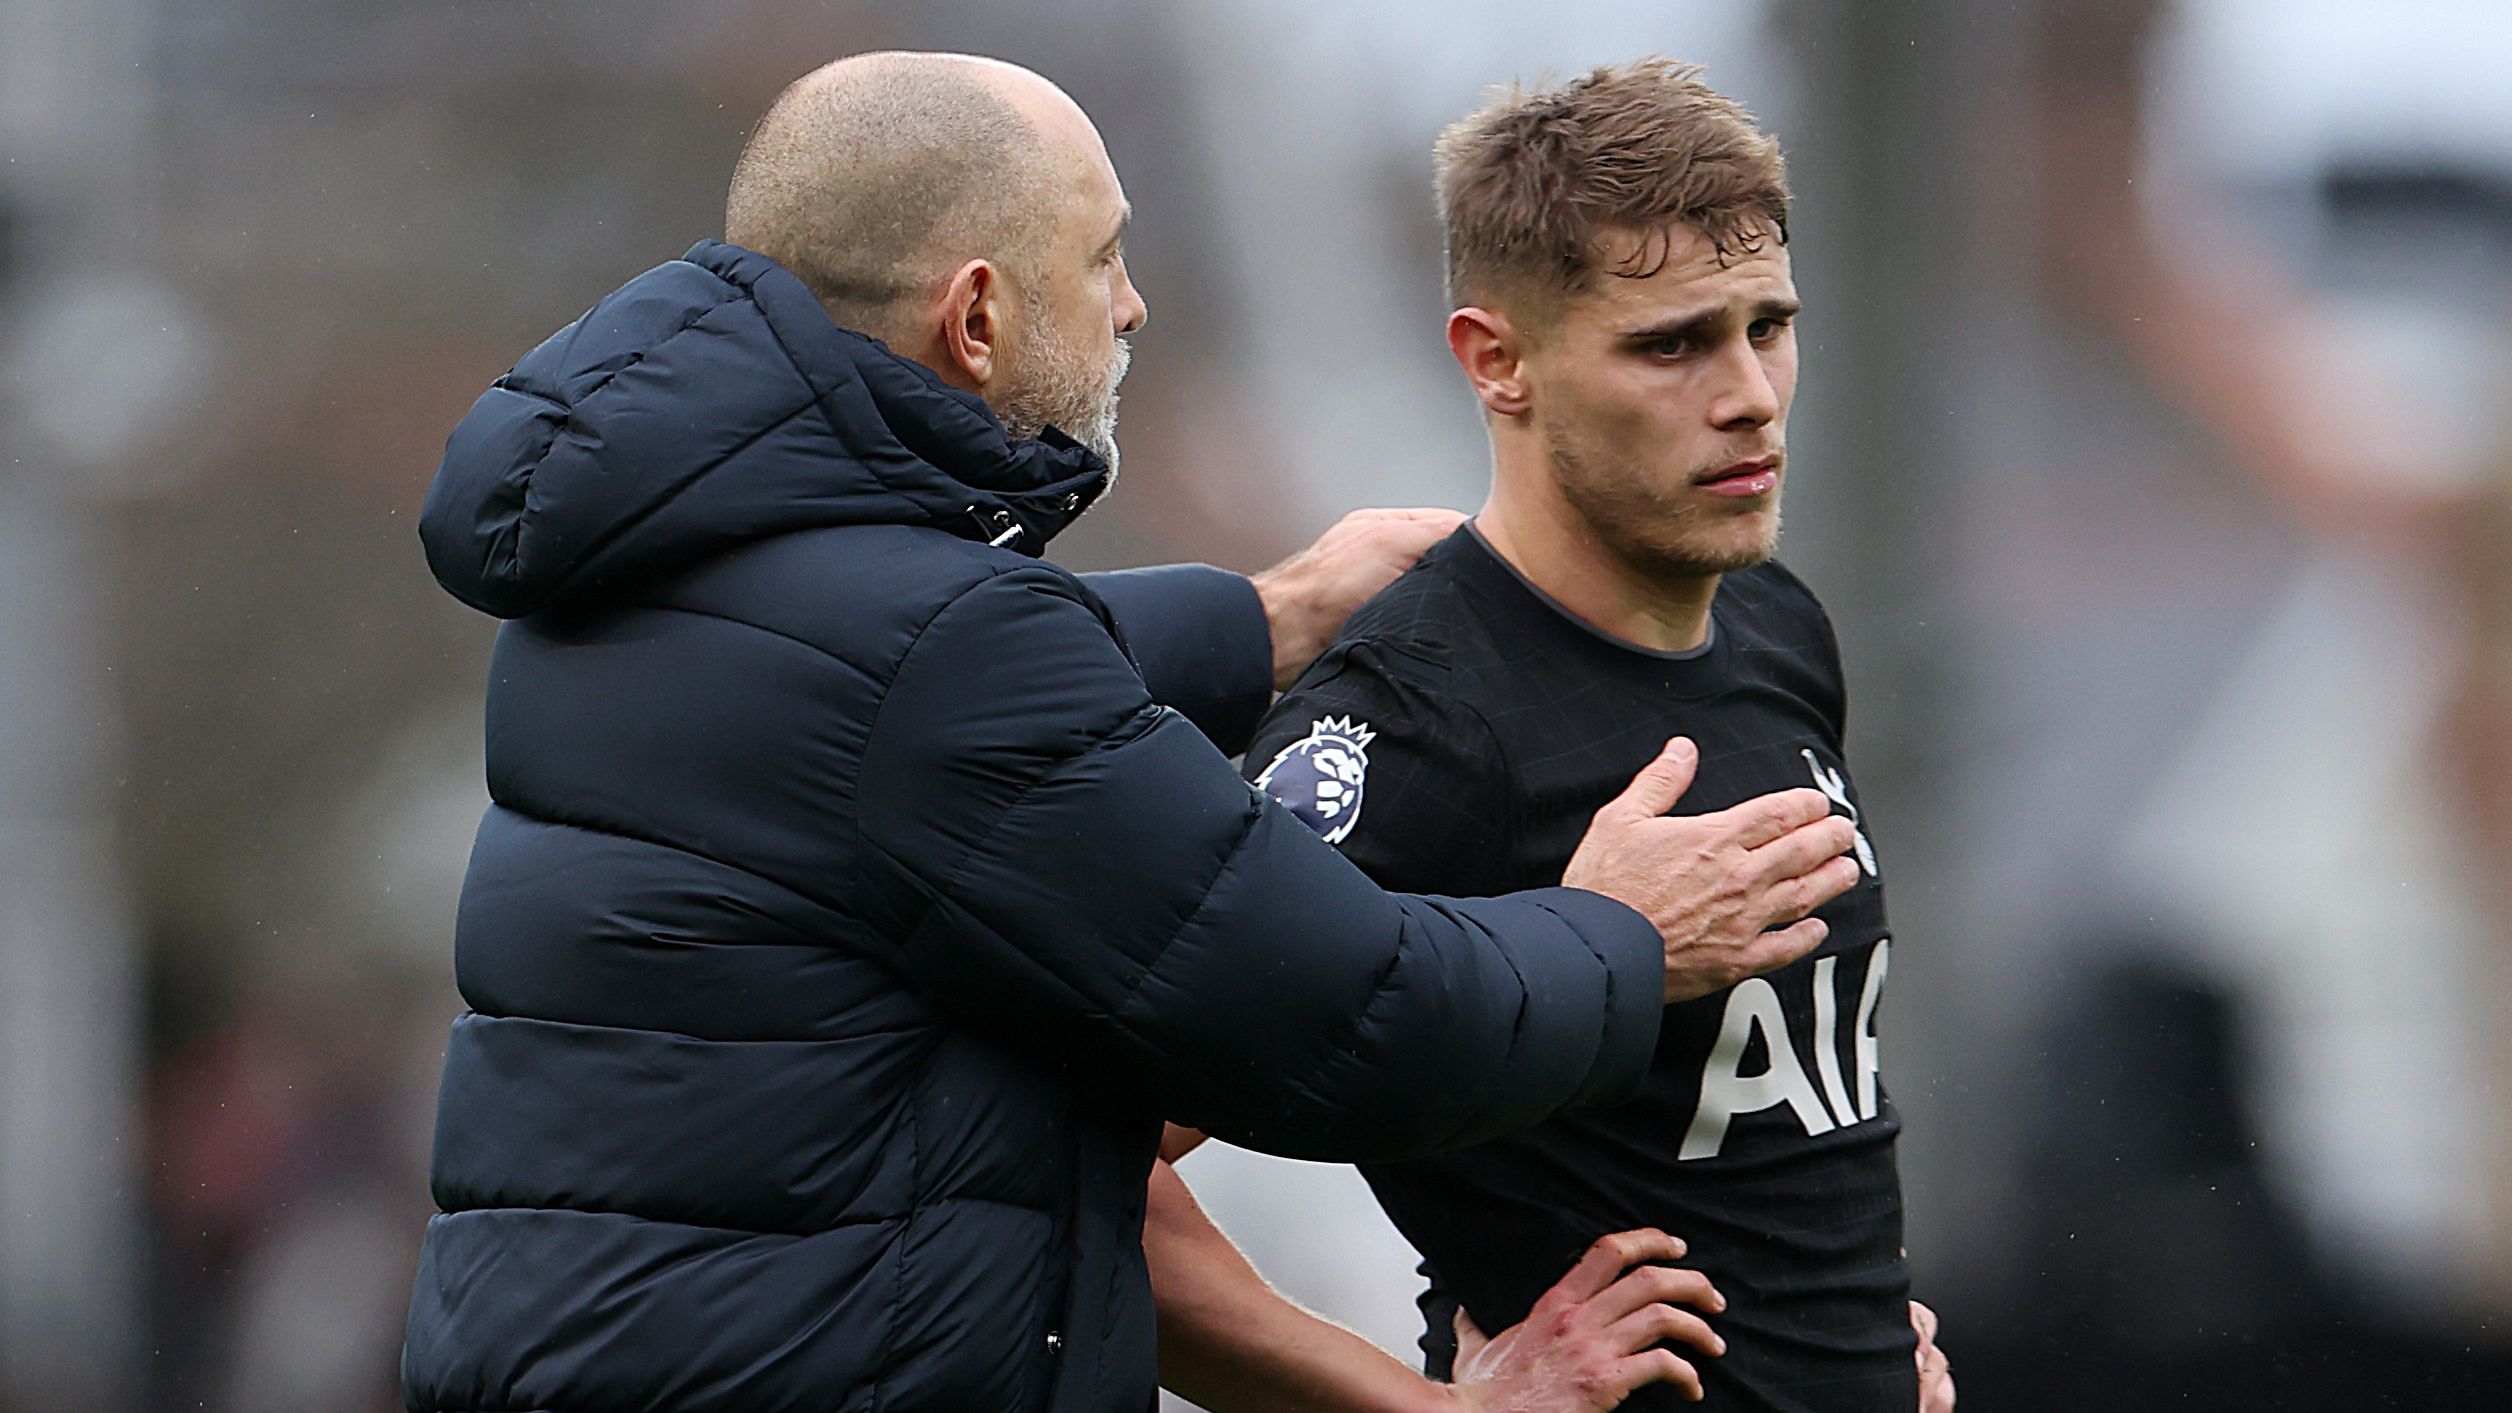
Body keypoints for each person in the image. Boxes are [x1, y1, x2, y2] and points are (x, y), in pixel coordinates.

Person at [400, 51, 1864, 1413]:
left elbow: (893, 706)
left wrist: (1265, 610)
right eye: (1099, 256)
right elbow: (1355, 1017)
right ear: (974, 319)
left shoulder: (642, 567)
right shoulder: (955, 660)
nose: (1133, 301)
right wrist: (1622, 932)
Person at [1150, 60, 1953, 1411]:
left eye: (1770, 325)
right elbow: (1088, 1161)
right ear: (1496, 359)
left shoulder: (1773, 624)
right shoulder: (1407, 720)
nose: (1751, 391)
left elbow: (1770, 1130)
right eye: (1673, 343)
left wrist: (1860, 1340)